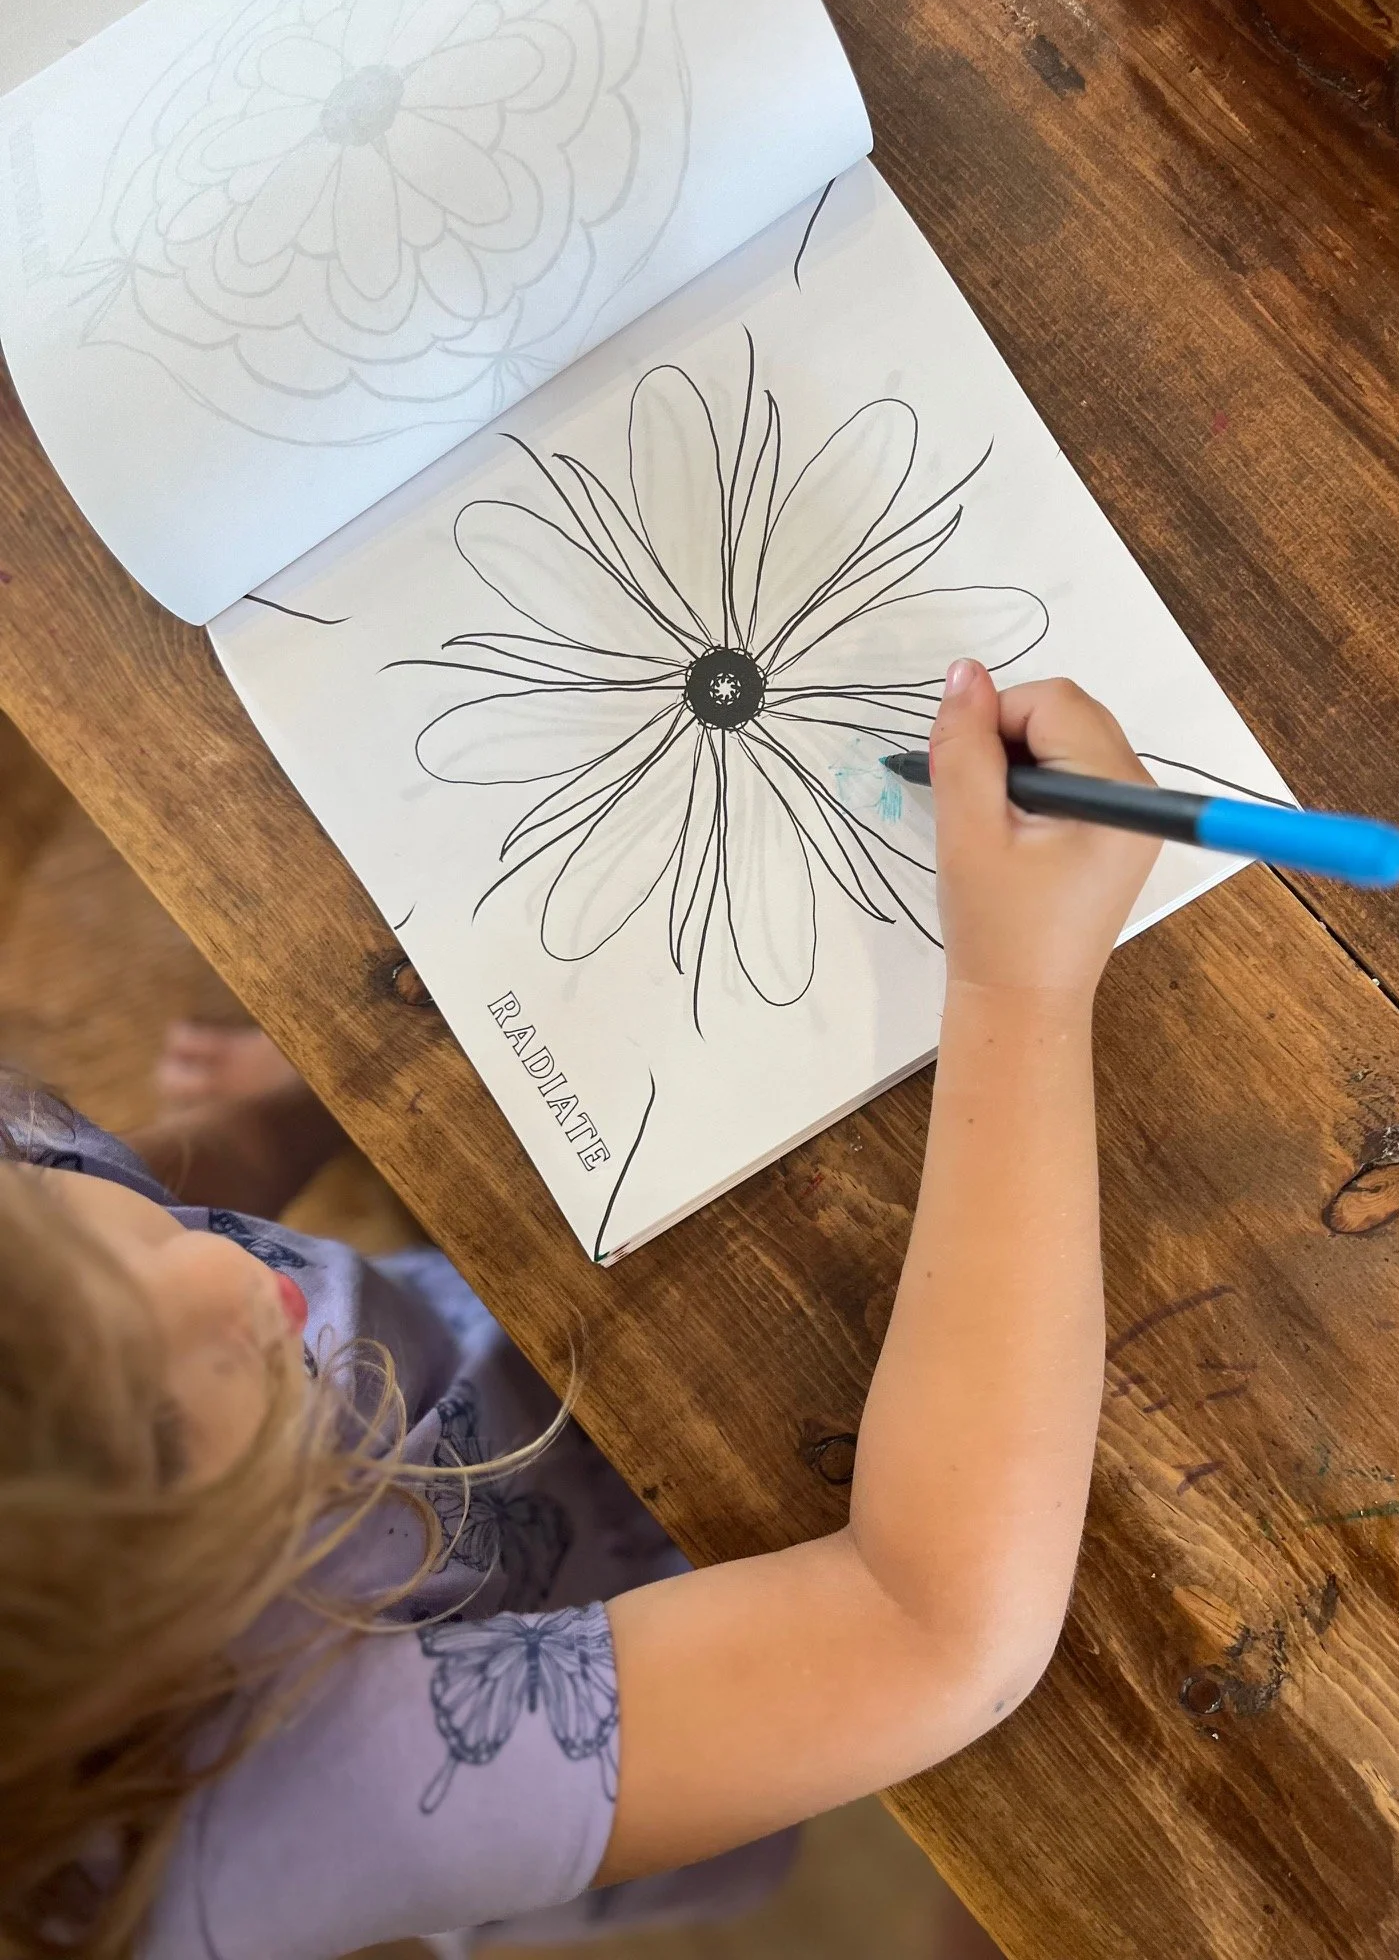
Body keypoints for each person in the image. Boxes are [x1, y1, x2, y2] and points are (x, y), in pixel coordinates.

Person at [0, 669, 1158, 1960]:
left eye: (49, 1210)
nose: (224, 1275)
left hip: (538, 1335)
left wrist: (296, 1114)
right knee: (1066, 1815)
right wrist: (1019, 990)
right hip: (682, 1646)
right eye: (155, 1425)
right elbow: (929, 1629)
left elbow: (135, 1211)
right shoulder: (256, 1811)